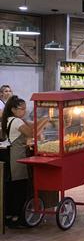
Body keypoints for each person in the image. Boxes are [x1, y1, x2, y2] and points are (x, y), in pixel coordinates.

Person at [1, 96, 47, 227]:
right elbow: (31, 134)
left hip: (10, 155)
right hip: (16, 157)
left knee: (11, 188)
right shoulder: (16, 121)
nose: (24, 112)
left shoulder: (9, 119)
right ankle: (17, 218)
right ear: (13, 109)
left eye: (25, 109)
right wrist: (45, 119)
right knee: (19, 187)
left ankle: (9, 215)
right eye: (22, 109)